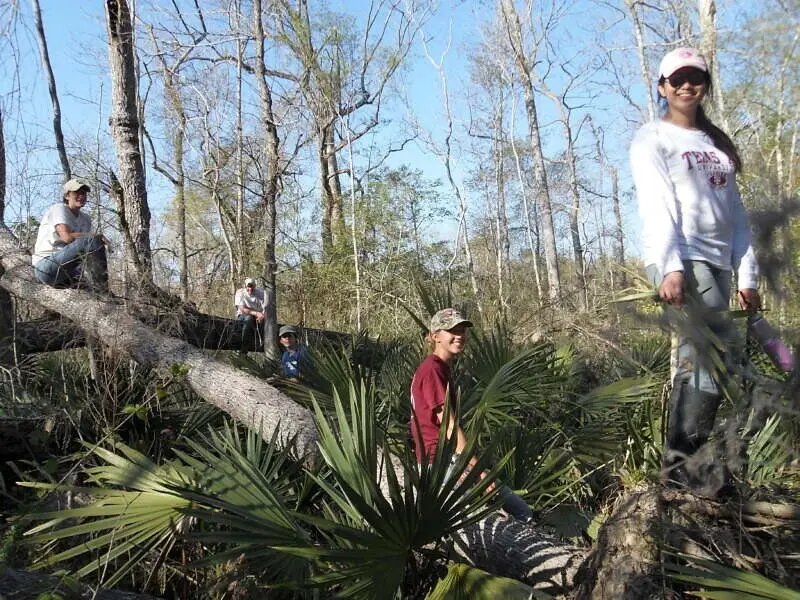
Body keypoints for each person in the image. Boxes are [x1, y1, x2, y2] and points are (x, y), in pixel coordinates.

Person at [629, 47, 761, 490]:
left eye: (696, 78)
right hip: (681, 257)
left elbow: (736, 214)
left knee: (717, 363)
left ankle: (690, 464)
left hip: (720, 262)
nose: (688, 85)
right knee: (706, 361)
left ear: (705, 86)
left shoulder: (714, 143)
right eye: (678, 78)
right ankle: (679, 467)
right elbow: (656, 204)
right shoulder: (653, 137)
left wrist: (748, 275)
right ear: (663, 87)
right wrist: (669, 267)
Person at [410, 308, 533, 521]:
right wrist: (477, 469)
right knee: (500, 518)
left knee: (521, 511)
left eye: (462, 330)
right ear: (435, 336)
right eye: (451, 330)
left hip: (448, 462)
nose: (459, 336)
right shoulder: (432, 369)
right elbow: (448, 426)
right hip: (438, 466)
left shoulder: (440, 368)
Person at [32, 178, 109, 292]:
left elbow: (86, 253)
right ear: (67, 195)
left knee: (89, 293)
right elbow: (66, 237)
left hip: (69, 271)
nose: (81, 196)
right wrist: (94, 237)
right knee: (92, 240)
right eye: (77, 193)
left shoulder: (86, 219)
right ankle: (103, 290)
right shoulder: (59, 209)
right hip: (47, 266)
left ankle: (100, 293)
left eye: (83, 193)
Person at [234, 277, 266, 353]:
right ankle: (243, 348)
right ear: (245, 286)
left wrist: (263, 315)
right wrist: (256, 313)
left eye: (252, 286)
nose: (250, 289)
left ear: (255, 286)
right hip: (243, 315)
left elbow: (267, 307)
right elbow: (242, 308)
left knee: (267, 323)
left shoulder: (261, 293)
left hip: (259, 316)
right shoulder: (240, 293)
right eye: (248, 286)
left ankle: (263, 345)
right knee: (249, 319)